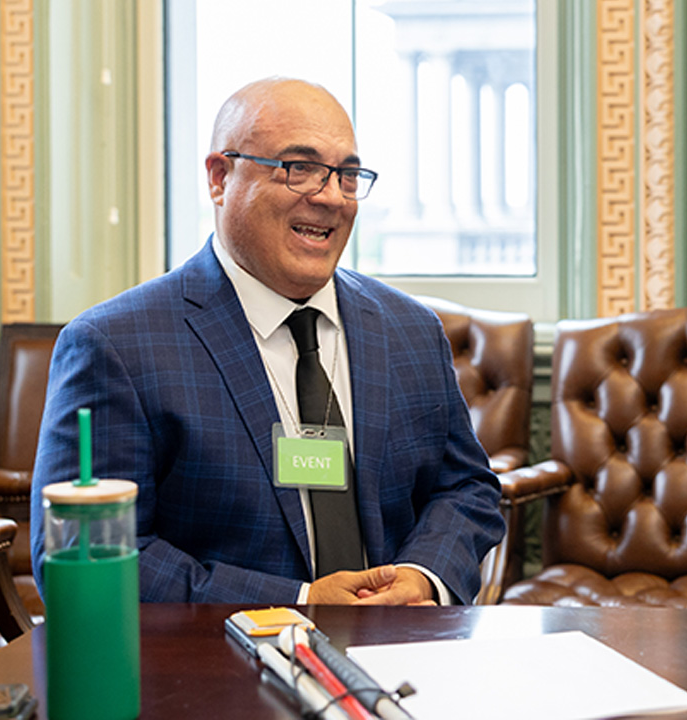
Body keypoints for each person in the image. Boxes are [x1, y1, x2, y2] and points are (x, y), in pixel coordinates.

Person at [30, 78, 505, 605]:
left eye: (347, 176)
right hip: (221, 671)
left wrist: (423, 577)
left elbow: (465, 490)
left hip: (401, 663)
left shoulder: (411, 330)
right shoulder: (115, 345)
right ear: (219, 177)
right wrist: (296, 602)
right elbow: (88, 552)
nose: (329, 197)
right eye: (298, 168)